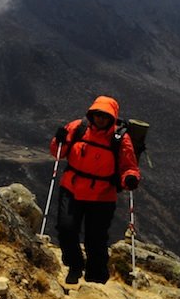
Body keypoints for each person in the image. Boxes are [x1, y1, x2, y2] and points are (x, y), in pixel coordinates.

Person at [50, 95, 141, 284]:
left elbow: (129, 166)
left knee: (96, 240)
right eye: (98, 114)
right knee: (66, 229)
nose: (100, 119)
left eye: (105, 116)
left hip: (102, 196)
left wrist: (130, 178)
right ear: (92, 114)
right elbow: (58, 152)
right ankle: (75, 265)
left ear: (112, 118)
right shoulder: (77, 127)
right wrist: (57, 141)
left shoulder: (120, 139)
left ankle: (96, 277)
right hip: (72, 188)